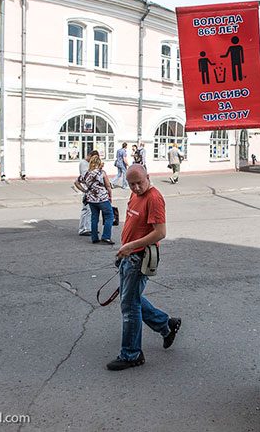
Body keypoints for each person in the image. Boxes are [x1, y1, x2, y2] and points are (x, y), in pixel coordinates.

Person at [107, 164, 181, 371]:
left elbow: (160, 232)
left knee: (129, 306)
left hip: (139, 258)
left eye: (140, 182)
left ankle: (132, 354)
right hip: (128, 256)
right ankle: (166, 324)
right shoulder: (135, 195)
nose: (137, 187)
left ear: (148, 177)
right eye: (132, 184)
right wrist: (124, 249)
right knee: (130, 298)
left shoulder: (154, 198)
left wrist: (130, 246)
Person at [74, 155, 115, 245]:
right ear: (99, 163)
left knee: (94, 218)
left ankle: (94, 238)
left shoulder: (86, 173)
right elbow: (108, 186)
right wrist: (110, 196)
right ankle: (106, 237)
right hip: (102, 198)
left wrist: (84, 190)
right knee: (109, 216)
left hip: (91, 199)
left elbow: (76, 182)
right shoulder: (102, 173)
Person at [75, 150, 99, 236]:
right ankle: (83, 229)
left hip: (90, 190)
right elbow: (86, 177)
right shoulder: (84, 163)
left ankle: (89, 228)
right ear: (89, 156)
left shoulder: (88, 164)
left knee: (90, 210)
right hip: (87, 189)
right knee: (86, 209)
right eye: (93, 158)